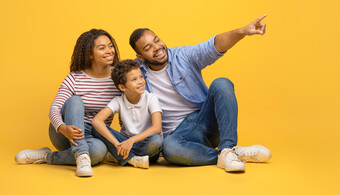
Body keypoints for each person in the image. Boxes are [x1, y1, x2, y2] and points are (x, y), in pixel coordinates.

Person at [129, 14, 272, 172]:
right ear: (140, 57)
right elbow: (112, 76)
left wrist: (243, 31)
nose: (156, 48)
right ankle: (229, 153)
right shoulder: (134, 73)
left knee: (221, 83)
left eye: (156, 40)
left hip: (205, 121)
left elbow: (214, 45)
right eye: (148, 48)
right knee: (169, 149)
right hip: (180, 137)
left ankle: (228, 147)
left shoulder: (182, 56)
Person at [15, 29, 122, 177]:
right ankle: (82, 155)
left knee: (99, 152)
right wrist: (63, 127)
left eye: (110, 46)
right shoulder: (75, 78)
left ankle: (47, 156)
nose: (110, 51)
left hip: (94, 135)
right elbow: (54, 108)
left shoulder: (119, 78)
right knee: (74, 100)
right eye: (102, 48)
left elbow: (127, 108)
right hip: (65, 133)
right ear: (90, 54)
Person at [91, 59, 163, 169]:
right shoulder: (118, 101)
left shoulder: (151, 98)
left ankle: (118, 156)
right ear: (122, 87)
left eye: (141, 77)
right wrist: (117, 144)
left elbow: (157, 128)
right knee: (96, 128)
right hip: (124, 143)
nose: (140, 81)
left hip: (145, 144)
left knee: (157, 141)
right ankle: (131, 159)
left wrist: (131, 141)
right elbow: (97, 121)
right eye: (134, 79)